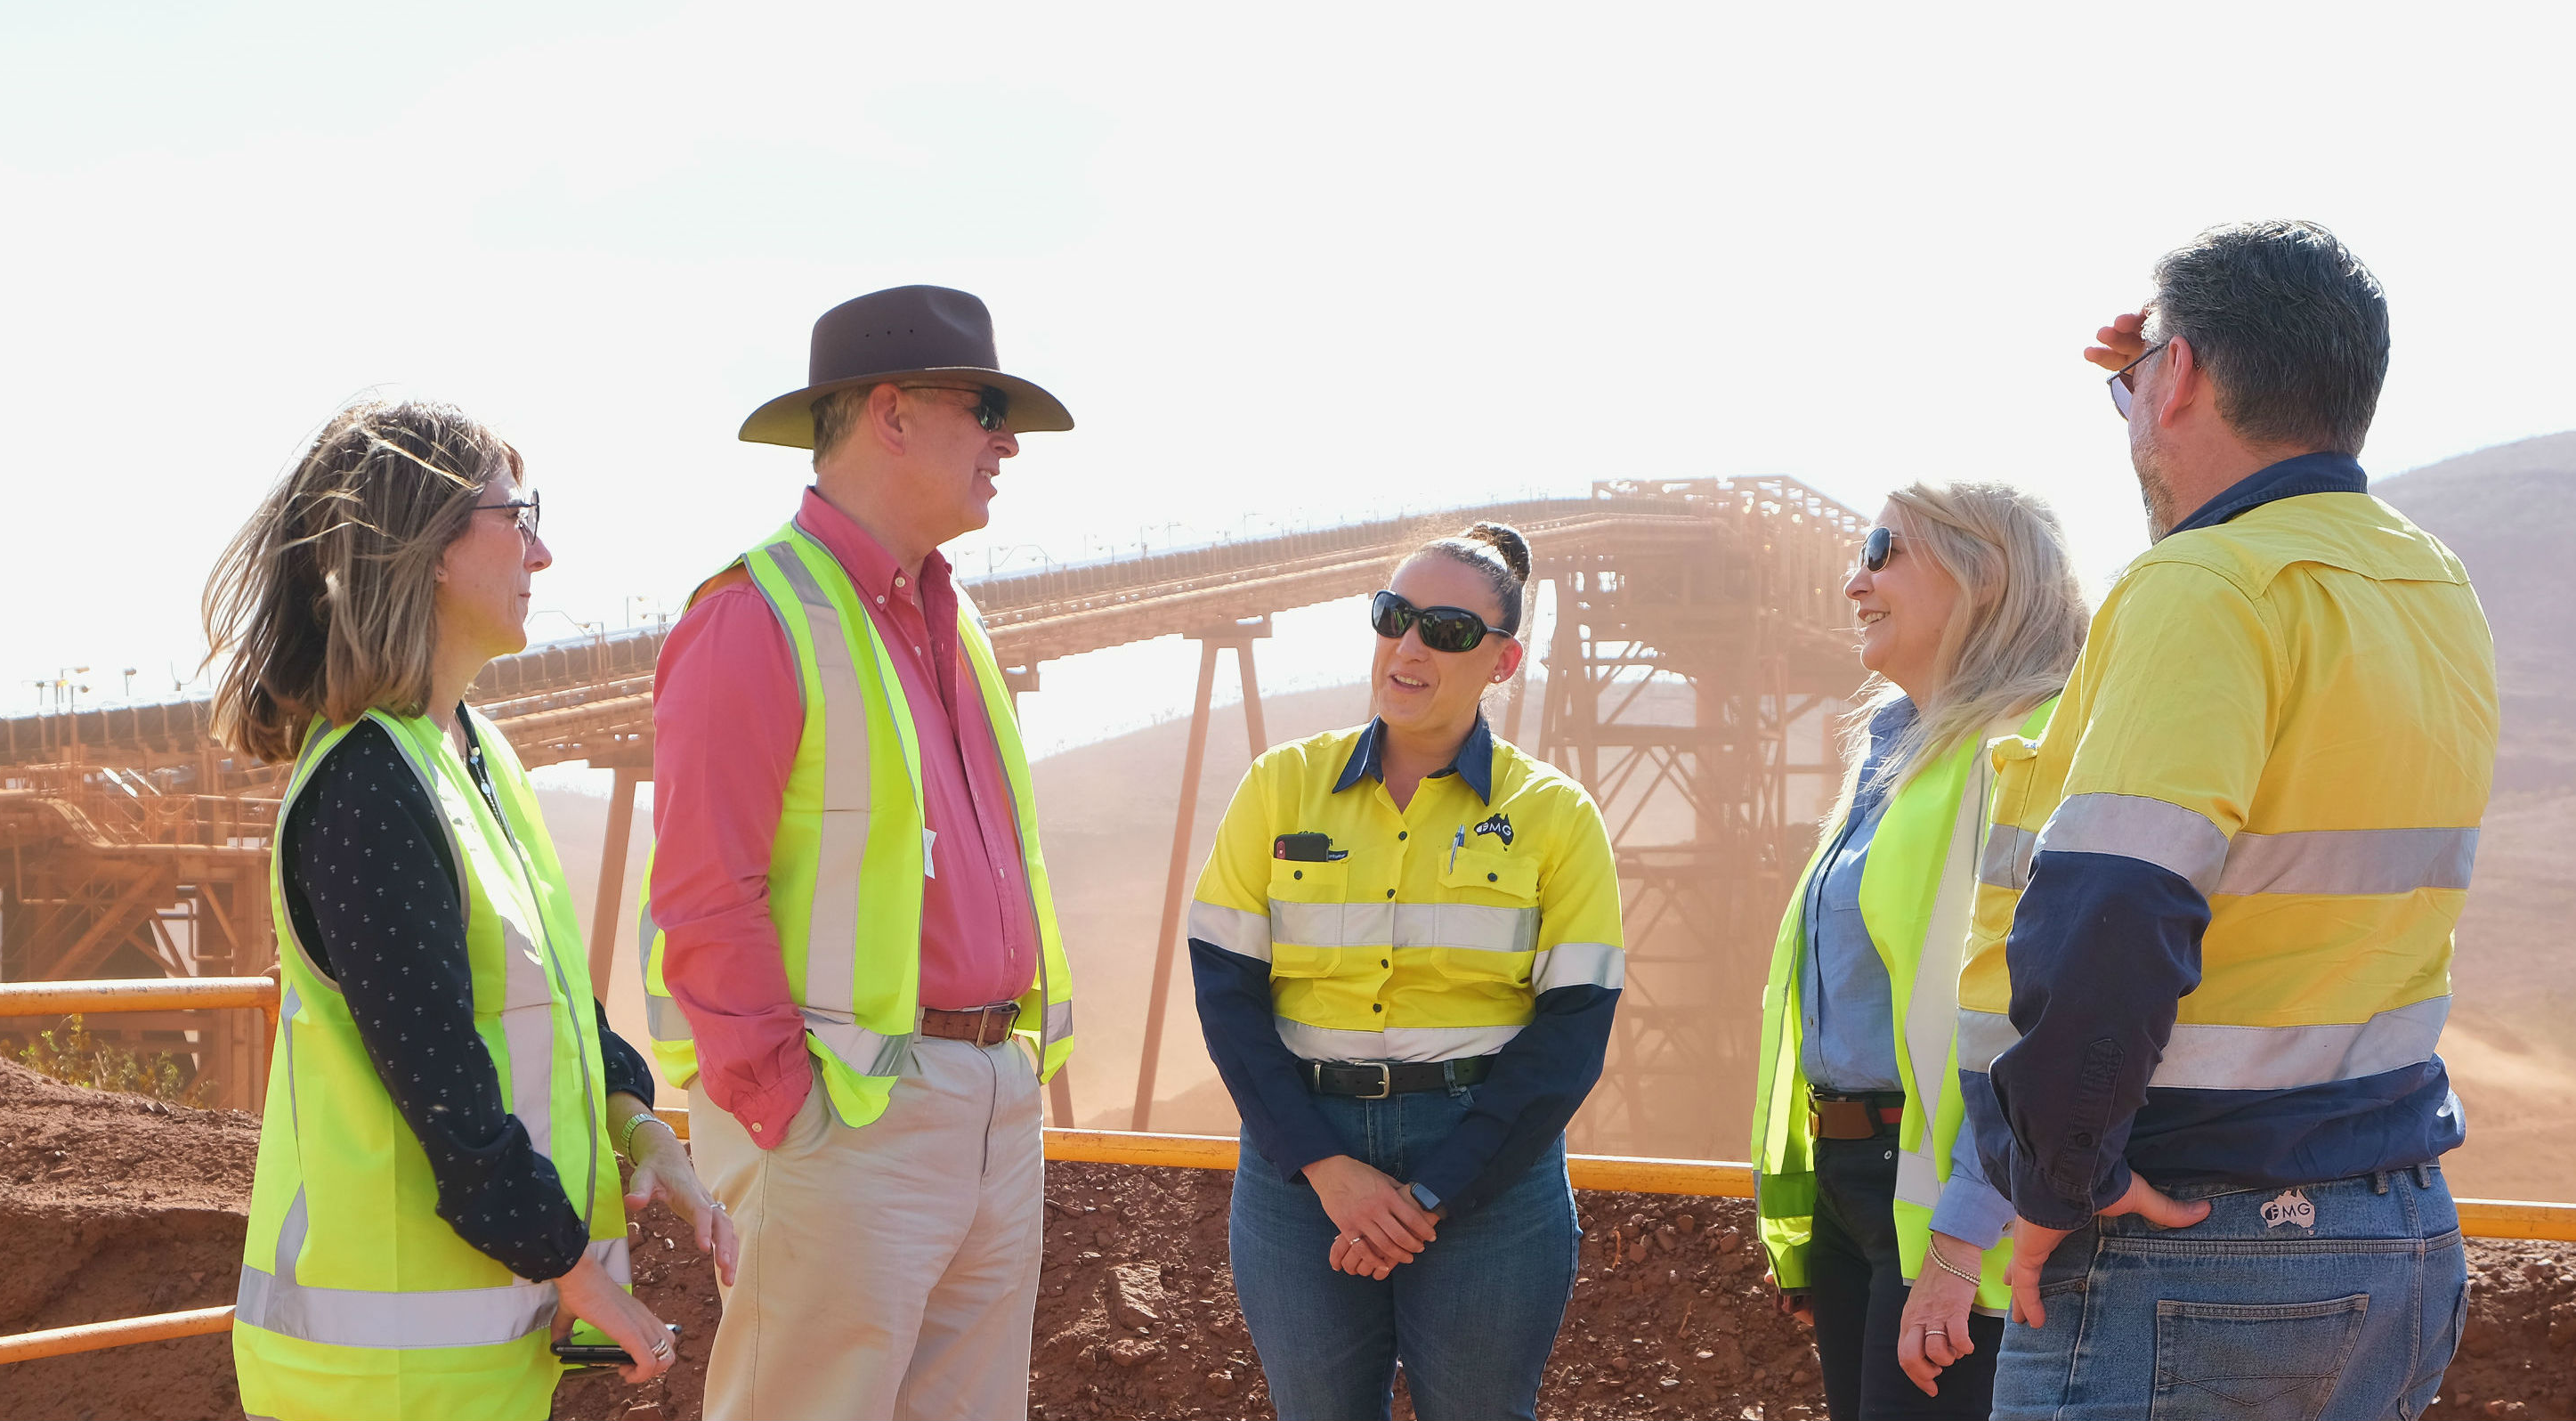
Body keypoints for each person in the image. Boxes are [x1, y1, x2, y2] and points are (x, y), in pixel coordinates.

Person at [1959, 221, 2494, 1419]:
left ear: (2188, 371)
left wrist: (2058, 1184)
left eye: (2141, 381)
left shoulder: (2204, 590)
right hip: (2391, 1231)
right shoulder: (2427, 585)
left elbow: (2116, 911)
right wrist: (2147, 398)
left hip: (2198, 1240)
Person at [206, 399, 736, 1421]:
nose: (544, 552)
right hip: (383, 1377)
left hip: (469, 1352)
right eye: (518, 515)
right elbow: (443, 1082)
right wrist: (576, 1272)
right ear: (431, 548)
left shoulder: (474, 757)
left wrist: (642, 1129)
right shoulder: (370, 786)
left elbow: (553, 1015)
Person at [643, 285, 1079, 1421]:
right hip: (845, 1118)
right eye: (985, 407)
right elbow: (702, 895)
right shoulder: (753, 615)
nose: (1007, 441)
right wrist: (787, 1113)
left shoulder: (958, 620)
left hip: (985, 1101)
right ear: (890, 413)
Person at [1186, 523, 1624, 1421]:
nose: (1410, 646)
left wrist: (1430, 1195)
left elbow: (1573, 1031)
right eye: (1394, 616)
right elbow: (1226, 997)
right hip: (1299, 1167)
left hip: (1486, 1162)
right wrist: (1323, 1166)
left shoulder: (1556, 816)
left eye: (1449, 631)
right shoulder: (1279, 786)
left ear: (1502, 662)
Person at [1748, 483, 2088, 1418]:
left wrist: (1963, 1233)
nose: (1853, 578)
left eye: (1884, 548)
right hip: (1857, 1183)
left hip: (1950, 1197)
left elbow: (2036, 1011)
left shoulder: (2029, 746)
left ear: (1985, 577)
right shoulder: (1892, 754)